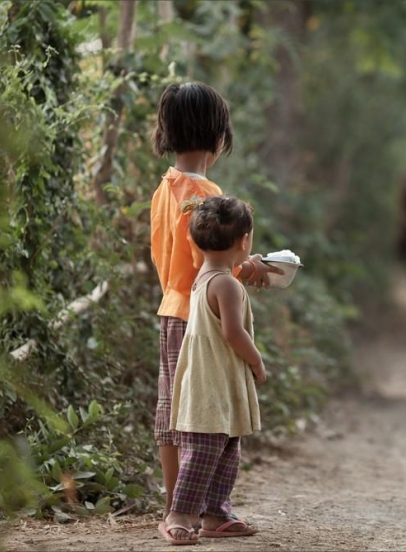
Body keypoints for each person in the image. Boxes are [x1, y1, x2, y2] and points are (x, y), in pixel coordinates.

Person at [150, 82, 281, 524]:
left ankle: (178, 506)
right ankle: (197, 511)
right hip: (200, 319)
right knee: (207, 415)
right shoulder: (203, 193)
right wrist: (251, 268)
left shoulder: (165, 186)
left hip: (171, 308)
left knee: (173, 409)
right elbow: (210, 265)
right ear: (219, 135)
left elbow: (166, 257)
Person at [159, 196, 264, 544]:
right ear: (244, 240)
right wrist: (256, 359)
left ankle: (216, 513)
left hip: (212, 378)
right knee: (204, 451)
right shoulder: (228, 284)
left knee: (226, 447)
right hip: (211, 381)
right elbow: (233, 333)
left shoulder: (206, 274)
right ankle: (180, 513)